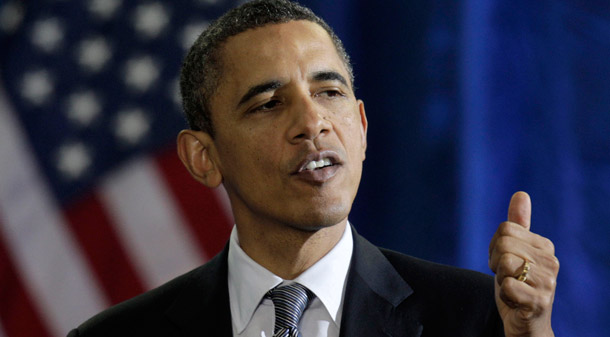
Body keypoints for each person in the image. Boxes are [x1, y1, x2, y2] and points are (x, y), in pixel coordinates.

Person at [67, 0, 559, 336]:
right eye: (267, 103)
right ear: (204, 157)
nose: (312, 122)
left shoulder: (477, 318)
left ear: (362, 128)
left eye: (329, 92)